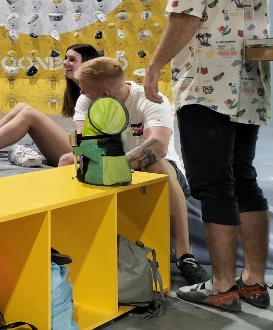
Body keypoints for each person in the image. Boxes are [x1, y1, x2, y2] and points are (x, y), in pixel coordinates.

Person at [144, 0, 271, 312]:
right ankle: (253, 280)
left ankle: (220, 284)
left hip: (208, 83)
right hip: (250, 84)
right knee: (244, 178)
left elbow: (185, 16)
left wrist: (155, 66)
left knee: (215, 183)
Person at [72, 57, 209, 286]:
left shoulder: (150, 99)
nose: (81, 92)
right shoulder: (86, 101)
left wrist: (116, 165)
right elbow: (82, 144)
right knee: (68, 160)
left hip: (157, 168)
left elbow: (158, 146)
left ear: (105, 94)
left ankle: (185, 255)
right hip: (110, 167)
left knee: (156, 165)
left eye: (85, 89)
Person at [0, 44, 99, 166]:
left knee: (28, 114)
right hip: (79, 146)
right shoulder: (77, 89)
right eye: (66, 58)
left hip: (88, 154)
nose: (65, 62)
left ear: (86, 64)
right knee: (21, 106)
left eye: (72, 60)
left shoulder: (94, 92)